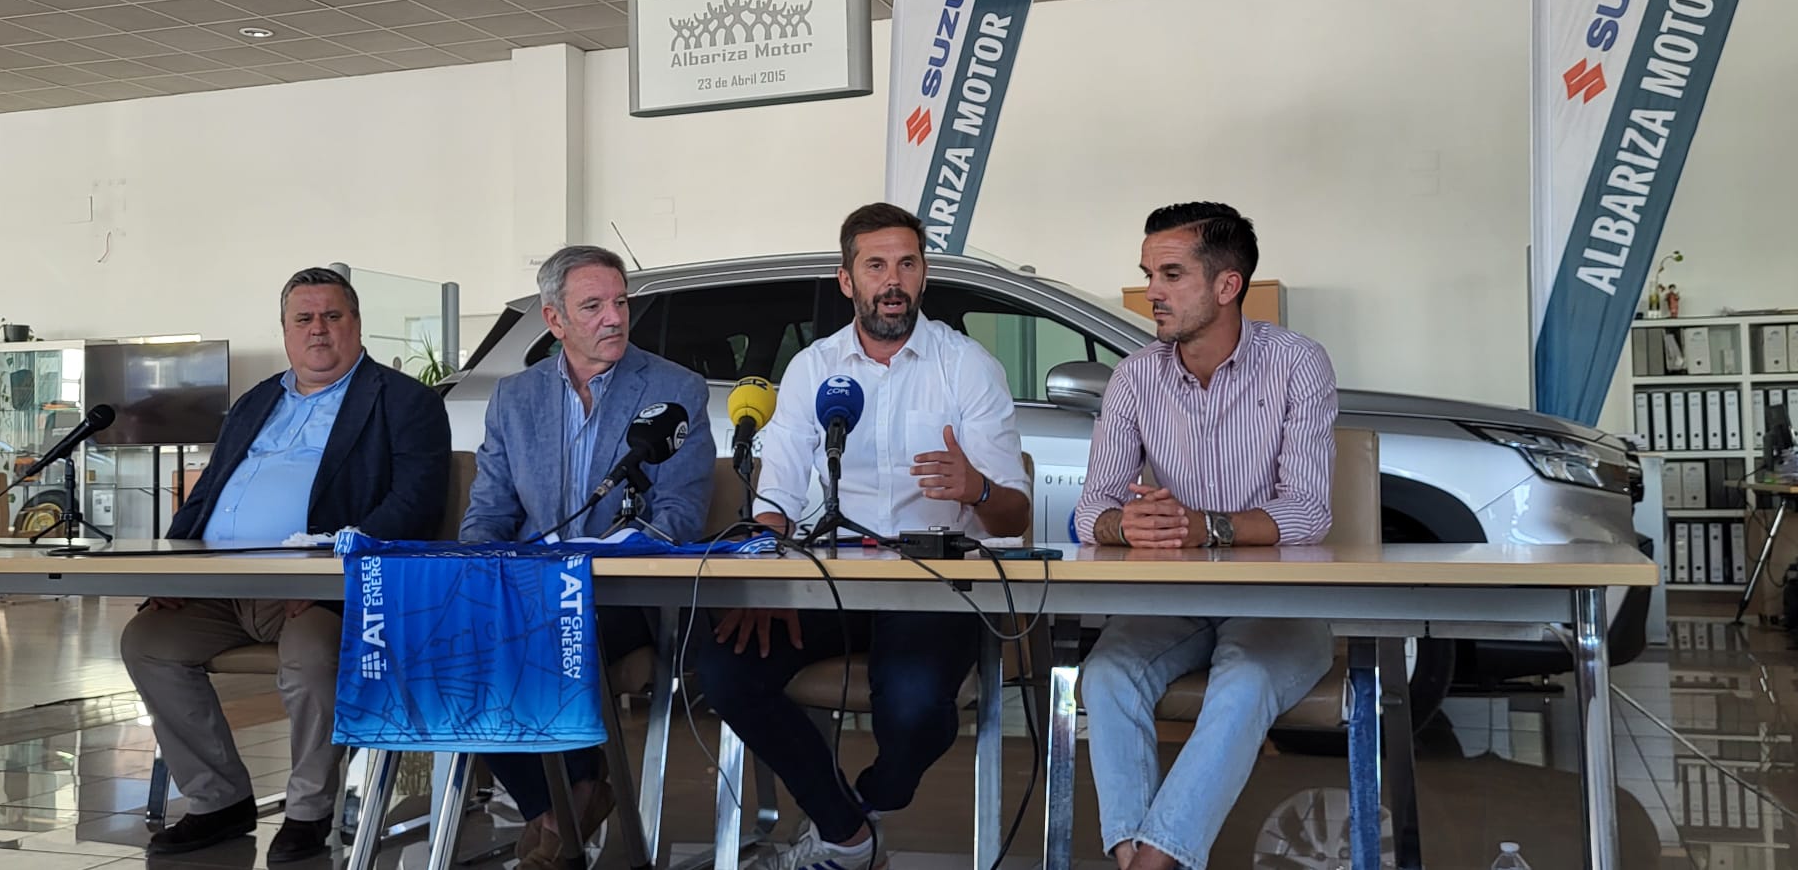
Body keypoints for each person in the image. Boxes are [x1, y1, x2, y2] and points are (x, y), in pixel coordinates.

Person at [697, 202, 1032, 870]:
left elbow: (1013, 518)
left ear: (924, 273)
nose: (893, 280)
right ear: (846, 279)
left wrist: (979, 490)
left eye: (907, 263)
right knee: (725, 669)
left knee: (911, 709)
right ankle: (847, 834)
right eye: (875, 265)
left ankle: (866, 805)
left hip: (934, 587)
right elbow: (778, 498)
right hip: (828, 582)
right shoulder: (812, 370)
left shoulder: (967, 367)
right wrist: (766, 579)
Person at [121, 267, 451, 862]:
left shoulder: (404, 402)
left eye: (333, 316)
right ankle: (218, 798)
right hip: (220, 586)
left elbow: (415, 502)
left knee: (311, 653)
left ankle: (307, 809)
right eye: (304, 318)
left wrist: (331, 573)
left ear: (356, 323)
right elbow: (206, 493)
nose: (318, 329)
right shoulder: (255, 403)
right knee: (148, 641)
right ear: (285, 330)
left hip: (322, 589)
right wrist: (165, 574)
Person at [1071, 202, 1338, 870]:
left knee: (1244, 681)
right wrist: (1122, 526)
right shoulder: (1134, 376)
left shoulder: (1298, 363)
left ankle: (1148, 865)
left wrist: (1204, 527)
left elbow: (1309, 513)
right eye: (1147, 274)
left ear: (1228, 285)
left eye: (1170, 274)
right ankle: (1144, 861)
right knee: (1105, 675)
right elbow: (1090, 510)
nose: (1151, 292)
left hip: (1279, 604)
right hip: (1177, 603)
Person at [460, 245, 715, 870]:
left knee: (542, 634)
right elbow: (488, 514)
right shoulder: (515, 399)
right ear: (555, 320)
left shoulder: (674, 389)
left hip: (622, 592)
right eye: (593, 306)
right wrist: (478, 572)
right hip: (526, 589)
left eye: (620, 302)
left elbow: (681, 513)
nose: (613, 318)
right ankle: (558, 806)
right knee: (451, 635)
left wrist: (609, 551)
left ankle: (564, 807)